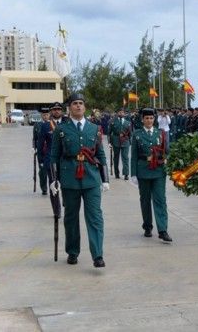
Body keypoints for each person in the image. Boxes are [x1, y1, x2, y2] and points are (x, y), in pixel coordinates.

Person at [50, 93, 110, 268]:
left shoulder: (94, 128)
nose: (78, 106)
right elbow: (54, 155)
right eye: (74, 103)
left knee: (95, 217)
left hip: (91, 178)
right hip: (69, 179)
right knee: (71, 218)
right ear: (69, 107)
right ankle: (72, 251)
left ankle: (98, 255)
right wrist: (54, 179)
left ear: (85, 107)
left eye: (81, 103)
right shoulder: (61, 129)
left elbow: (100, 154)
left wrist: (105, 178)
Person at [130, 108, 172, 242]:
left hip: (159, 171)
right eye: (146, 118)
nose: (149, 121)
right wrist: (133, 174)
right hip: (143, 170)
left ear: (154, 120)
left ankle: (163, 230)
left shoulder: (161, 133)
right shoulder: (137, 134)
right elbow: (134, 155)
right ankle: (147, 226)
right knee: (145, 200)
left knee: (160, 200)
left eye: (151, 118)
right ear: (142, 119)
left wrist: (168, 161)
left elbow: (167, 151)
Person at [108, 108, 132, 180]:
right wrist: (109, 142)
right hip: (116, 141)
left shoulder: (128, 123)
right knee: (116, 158)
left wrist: (130, 141)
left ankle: (126, 174)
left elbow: (131, 133)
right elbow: (109, 133)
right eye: (120, 112)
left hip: (125, 141)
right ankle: (116, 173)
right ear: (117, 113)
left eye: (122, 112)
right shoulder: (112, 122)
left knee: (125, 158)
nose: (121, 113)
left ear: (124, 114)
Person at [33, 108, 50, 195]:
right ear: (41, 116)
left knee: (51, 171)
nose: (45, 116)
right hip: (41, 152)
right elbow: (35, 139)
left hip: (50, 151)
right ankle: (44, 188)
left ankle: (52, 187)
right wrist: (34, 148)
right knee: (42, 171)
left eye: (47, 115)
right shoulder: (37, 125)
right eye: (44, 115)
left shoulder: (52, 124)